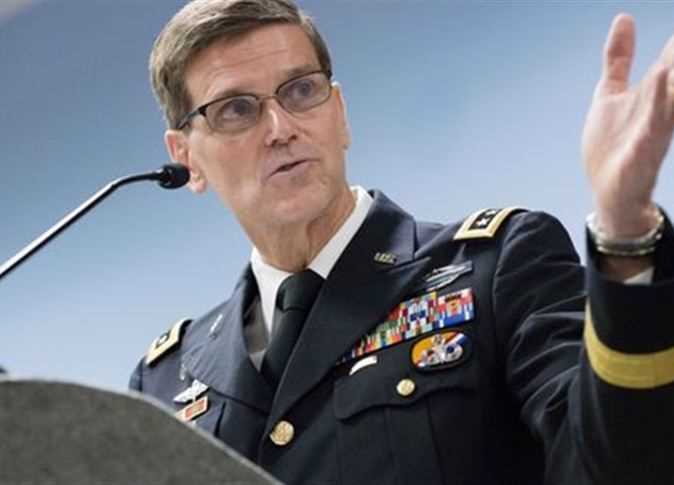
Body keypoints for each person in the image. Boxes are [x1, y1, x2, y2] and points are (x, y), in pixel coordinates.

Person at [130, 1, 674, 483]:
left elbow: (618, 465)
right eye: (236, 109)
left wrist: (624, 225)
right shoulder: (163, 383)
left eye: (301, 91)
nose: (280, 127)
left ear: (339, 113)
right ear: (187, 158)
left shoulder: (496, 267)